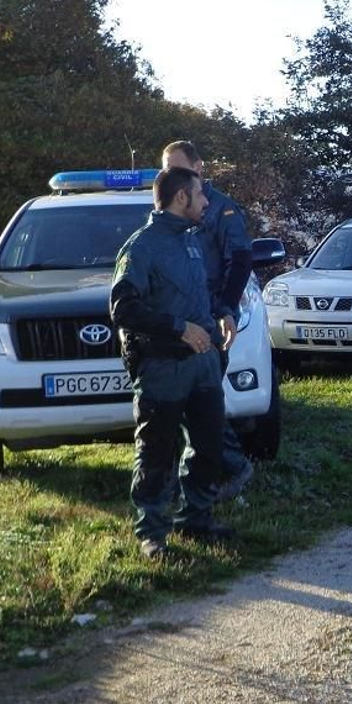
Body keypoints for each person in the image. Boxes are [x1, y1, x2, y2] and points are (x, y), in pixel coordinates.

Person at [110, 166, 237, 559]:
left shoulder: (192, 241)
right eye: (200, 195)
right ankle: (152, 534)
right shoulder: (142, 247)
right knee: (157, 451)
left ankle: (196, 519)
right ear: (181, 197)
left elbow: (197, 292)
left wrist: (222, 311)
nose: (206, 203)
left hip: (203, 366)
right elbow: (122, 307)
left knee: (208, 446)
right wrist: (177, 328)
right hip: (163, 368)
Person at [161, 140, 255, 502]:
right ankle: (190, 482)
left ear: (199, 167)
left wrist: (226, 310)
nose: (172, 175)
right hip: (179, 319)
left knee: (201, 402)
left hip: (210, 318)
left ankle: (229, 469)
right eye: (167, 169)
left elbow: (240, 261)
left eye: (179, 168)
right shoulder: (171, 208)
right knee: (185, 403)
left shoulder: (220, 209)